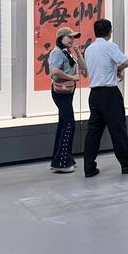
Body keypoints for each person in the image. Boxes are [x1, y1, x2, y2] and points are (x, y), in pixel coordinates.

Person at [82, 19, 128, 177]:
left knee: (93, 132)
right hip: (110, 94)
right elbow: (125, 61)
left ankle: (89, 167)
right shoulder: (110, 46)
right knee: (118, 130)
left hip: (94, 94)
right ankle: (127, 164)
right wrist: (118, 69)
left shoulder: (89, 49)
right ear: (109, 32)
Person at [47, 27, 86, 173]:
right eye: (69, 37)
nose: (72, 40)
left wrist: (78, 53)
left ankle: (59, 159)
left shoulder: (67, 53)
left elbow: (84, 67)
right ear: (60, 38)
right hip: (61, 93)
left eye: (73, 37)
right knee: (69, 124)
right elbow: (54, 72)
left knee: (63, 124)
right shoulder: (57, 52)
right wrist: (72, 78)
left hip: (67, 92)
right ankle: (62, 163)